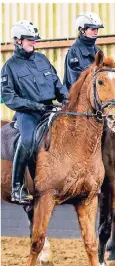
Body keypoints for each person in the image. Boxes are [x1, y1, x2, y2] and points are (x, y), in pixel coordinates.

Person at [1, 20, 69, 203]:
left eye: (34, 39)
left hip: (49, 108)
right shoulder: (9, 68)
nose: (34, 42)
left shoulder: (42, 60)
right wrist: (33, 105)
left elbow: (57, 84)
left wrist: (65, 97)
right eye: (30, 39)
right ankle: (18, 188)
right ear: (17, 40)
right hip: (27, 113)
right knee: (28, 140)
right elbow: (9, 97)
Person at [63, 12, 104, 92]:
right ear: (82, 30)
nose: (96, 32)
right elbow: (76, 80)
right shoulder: (74, 51)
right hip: (79, 97)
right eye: (92, 29)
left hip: (95, 94)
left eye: (97, 29)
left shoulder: (98, 50)